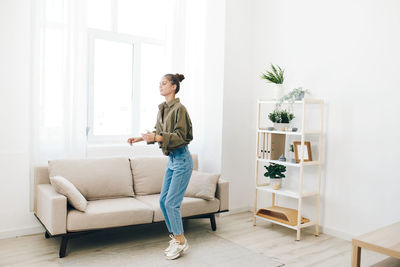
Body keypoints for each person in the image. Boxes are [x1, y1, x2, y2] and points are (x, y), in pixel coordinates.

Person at [127, 73, 193, 260]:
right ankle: (176, 238)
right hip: (172, 160)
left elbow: (182, 137)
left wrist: (156, 138)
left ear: (174, 86)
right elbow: (159, 132)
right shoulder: (162, 109)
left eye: (164, 83)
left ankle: (181, 242)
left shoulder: (180, 109)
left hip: (182, 160)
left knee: (172, 203)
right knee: (164, 201)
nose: (160, 86)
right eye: (159, 84)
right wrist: (141, 138)